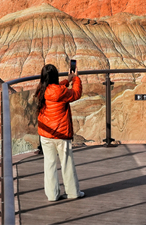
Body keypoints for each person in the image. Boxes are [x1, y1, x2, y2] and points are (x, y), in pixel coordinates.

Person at [34, 63, 84, 201]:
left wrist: (67, 80)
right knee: (66, 163)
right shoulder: (61, 92)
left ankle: (52, 195)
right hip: (61, 134)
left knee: (49, 165)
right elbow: (76, 93)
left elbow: (56, 89)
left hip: (45, 134)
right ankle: (73, 193)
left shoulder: (41, 90)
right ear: (55, 76)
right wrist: (75, 79)